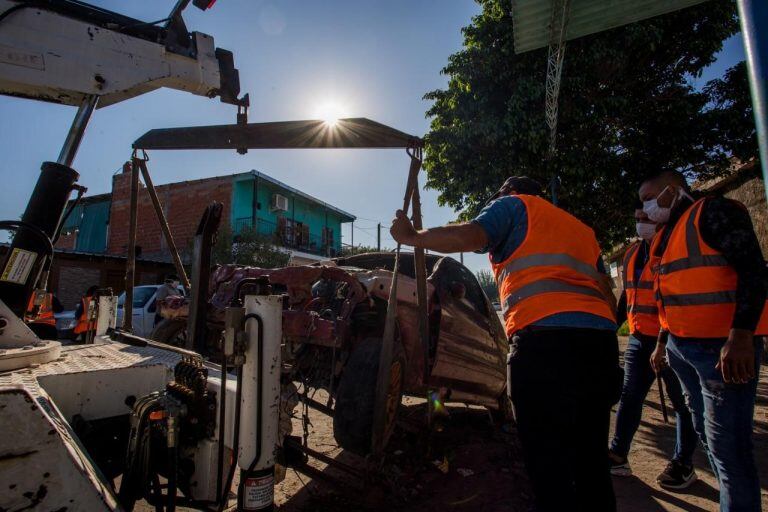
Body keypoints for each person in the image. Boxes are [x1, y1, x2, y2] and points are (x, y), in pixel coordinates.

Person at [390, 176, 622, 512]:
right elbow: (605, 289)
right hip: (598, 343)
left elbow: (470, 235)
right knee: (591, 459)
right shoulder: (581, 229)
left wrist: (413, 237)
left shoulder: (513, 206)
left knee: (547, 461)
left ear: (508, 192)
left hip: (544, 340)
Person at [642, 169, 766, 512]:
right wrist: (663, 343)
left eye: (649, 198)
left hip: (720, 349)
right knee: (708, 436)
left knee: (729, 449)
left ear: (673, 190)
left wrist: (741, 334)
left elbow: (753, 269)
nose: (647, 208)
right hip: (683, 349)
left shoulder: (713, 212)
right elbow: (671, 295)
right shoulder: (669, 233)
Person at [608, 207, 699, 489]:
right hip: (639, 338)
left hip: (671, 337)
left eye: (646, 218)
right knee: (630, 396)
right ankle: (618, 454)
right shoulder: (633, 254)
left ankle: (683, 462)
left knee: (682, 403)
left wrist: (662, 343)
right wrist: (609, 327)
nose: (640, 223)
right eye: (637, 218)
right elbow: (627, 297)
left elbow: (675, 299)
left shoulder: (674, 249)